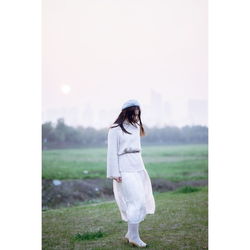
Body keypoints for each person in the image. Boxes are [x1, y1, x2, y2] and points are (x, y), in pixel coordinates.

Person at [106, 99, 156, 248]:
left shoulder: (136, 127)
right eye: (133, 114)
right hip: (124, 168)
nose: (136, 117)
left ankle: (130, 233)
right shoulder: (114, 129)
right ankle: (134, 236)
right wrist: (114, 172)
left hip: (138, 166)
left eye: (138, 114)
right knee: (135, 202)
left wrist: (142, 170)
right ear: (126, 113)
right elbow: (111, 153)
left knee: (141, 200)